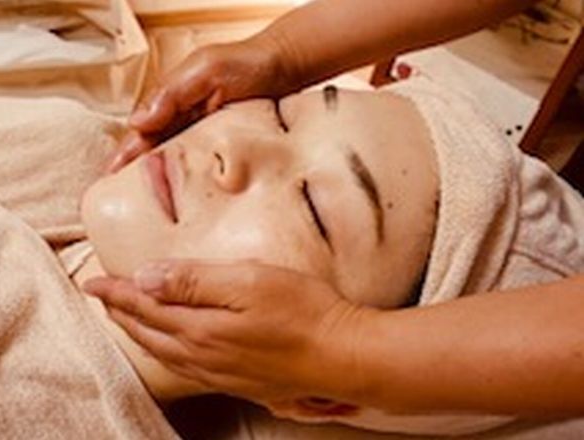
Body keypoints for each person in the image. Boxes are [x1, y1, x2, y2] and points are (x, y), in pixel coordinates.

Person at [85, 0, 584, 429]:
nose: (230, 150)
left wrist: (343, 347)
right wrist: (282, 52)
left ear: (320, 398)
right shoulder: (79, 144)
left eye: (315, 209)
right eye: (283, 115)